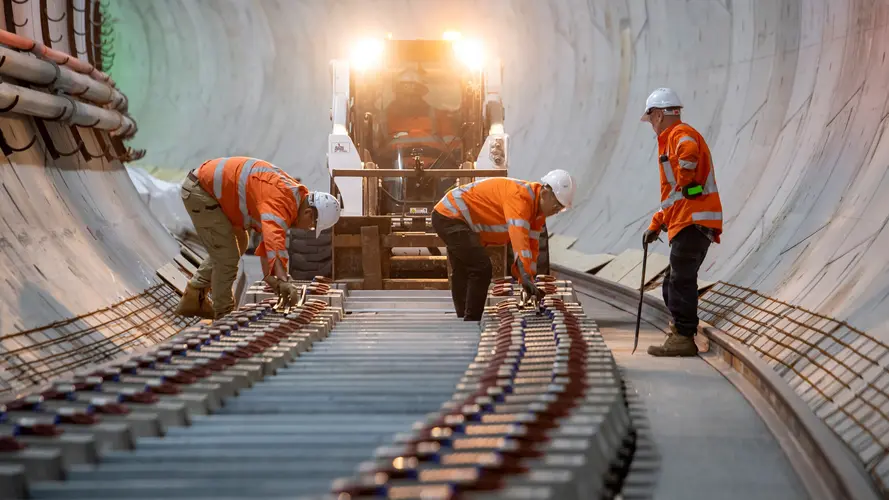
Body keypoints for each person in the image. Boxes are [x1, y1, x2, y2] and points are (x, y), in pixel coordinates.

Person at [175, 157, 341, 319]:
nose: (308, 229)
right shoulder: (281, 202)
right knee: (227, 256)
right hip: (201, 191)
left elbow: (267, 240)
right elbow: (273, 240)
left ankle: (194, 296)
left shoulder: (293, 197)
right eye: (312, 226)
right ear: (309, 213)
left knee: (240, 242)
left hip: (212, 192)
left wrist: (272, 278)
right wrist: (282, 279)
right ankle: (223, 314)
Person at [640, 88, 724, 357]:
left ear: (660, 114)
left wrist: (687, 175)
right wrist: (656, 224)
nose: (651, 123)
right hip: (686, 219)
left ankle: (684, 337)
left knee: (681, 280)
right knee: (672, 283)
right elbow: (672, 197)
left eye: (651, 116)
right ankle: (681, 329)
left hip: (693, 220)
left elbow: (687, 151)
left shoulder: (678, 133)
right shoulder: (668, 140)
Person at [432, 170, 576, 321]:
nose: (557, 211)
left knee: (463, 268)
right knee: (481, 267)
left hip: (456, 218)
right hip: (450, 215)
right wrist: (524, 277)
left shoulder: (537, 215)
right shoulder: (520, 198)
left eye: (561, 208)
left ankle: (463, 317)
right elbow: (519, 240)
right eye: (557, 205)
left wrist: (528, 282)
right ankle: (472, 320)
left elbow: (530, 250)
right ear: (546, 194)